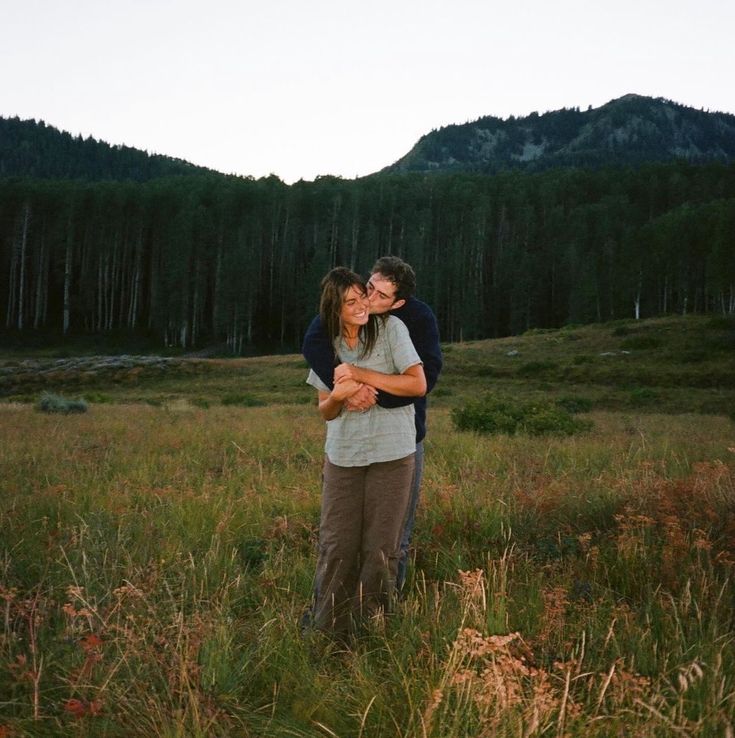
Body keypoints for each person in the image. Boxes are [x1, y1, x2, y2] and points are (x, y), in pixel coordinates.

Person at [303, 256, 442, 591]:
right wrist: (345, 394)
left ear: (399, 302)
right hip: (348, 445)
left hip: (403, 436)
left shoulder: (413, 320)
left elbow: (424, 381)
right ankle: (335, 612)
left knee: (393, 535)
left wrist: (369, 389)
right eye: (369, 288)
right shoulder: (339, 318)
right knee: (341, 538)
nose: (370, 299)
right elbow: (312, 345)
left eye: (381, 296)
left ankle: (385, 607)